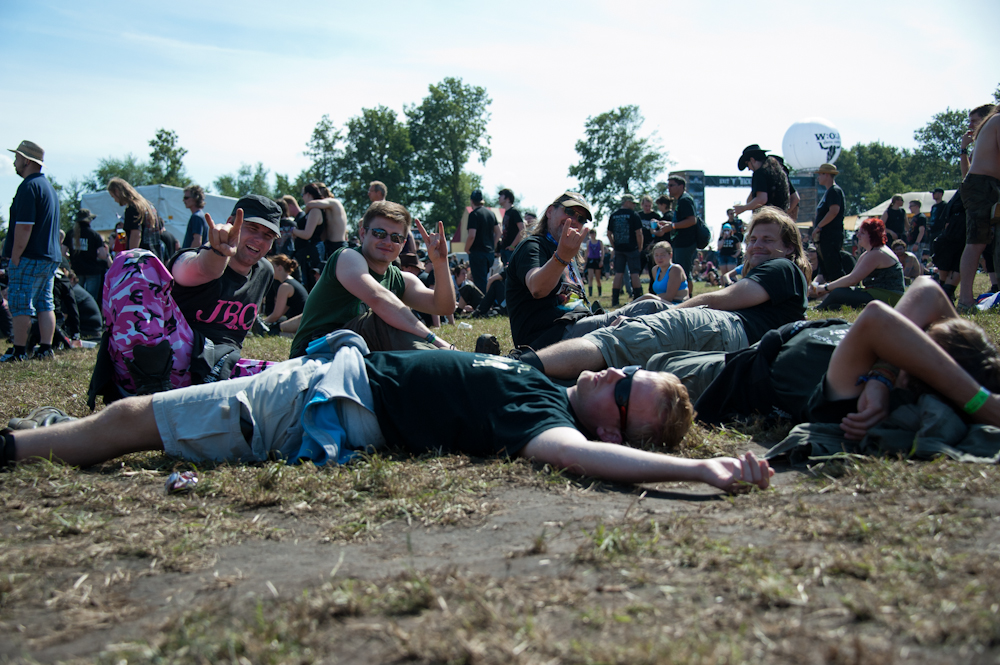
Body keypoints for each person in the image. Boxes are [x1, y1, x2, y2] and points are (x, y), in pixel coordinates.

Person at [1, 331, 773, 495]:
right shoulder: (547, 384)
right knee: (134, 419)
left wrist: (700, 468)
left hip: (318, 401)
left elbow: (586, 460)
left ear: (609, 423)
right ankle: (27, 444)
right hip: (322, 376)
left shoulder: (549, 425)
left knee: (135, 419)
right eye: (630, 370)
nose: (613, 371)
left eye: (623, 387)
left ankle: (13, 450)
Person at [652, 277, 1000, 440]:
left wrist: (981, 404)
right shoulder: (883, 372)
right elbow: (926, 288)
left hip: (725, 376)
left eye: (916, 347)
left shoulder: (861, 400)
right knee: (648, 314)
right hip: (754, 346)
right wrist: (886, 370)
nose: (907, 338)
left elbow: (878, 316)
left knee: (637, 362)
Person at [518, 207, 810, 380]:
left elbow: (721, 300)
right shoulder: (780, 275)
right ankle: (536, 375)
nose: (757, 245)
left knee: (616, 341)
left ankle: (515, 368)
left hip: (725, 329)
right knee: (634, 366)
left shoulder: (782, 267)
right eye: (754, 239)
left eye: (768, 239)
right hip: (732, 347)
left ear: (790, 248)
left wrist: (667, 313)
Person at [87, 195, 281, 407]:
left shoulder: (265, 272)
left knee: (296, 377)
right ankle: (153, 399)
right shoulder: (199, 256)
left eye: (268, 235)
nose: (259, 239)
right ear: (230, 223)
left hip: (216, 375)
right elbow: (202, 268)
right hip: (161, 365)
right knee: (134, 260)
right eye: (252, 228)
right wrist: (217, 252)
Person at [289, 201, 456, 358]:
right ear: (363, 233)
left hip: (356, 354)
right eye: (379, 233)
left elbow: (443, 307)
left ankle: (446, 363)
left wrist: (440, 263)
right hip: (312, 353)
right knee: (382, 317)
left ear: (403, 243)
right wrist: (435, 340)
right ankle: (445, 361)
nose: (387, 241)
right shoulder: (347, 257)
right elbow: (379, 299)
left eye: (396, 238)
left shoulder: (400, 279)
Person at [2, 140, 62, 363]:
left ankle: (19, 351)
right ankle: (45, 348)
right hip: (49, 256)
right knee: (45, 303)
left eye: (17, 158)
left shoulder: (28, 187)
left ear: (26, 160)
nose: (15, 163)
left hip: (29, 255)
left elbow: (25, 226)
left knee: (20, 302)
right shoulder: (48, 188)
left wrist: (15, 255)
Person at [958, 105, 1000, 312]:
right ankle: (965, 300)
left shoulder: (991, 124)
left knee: (979, 242)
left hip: (984, 185)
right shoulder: (999, 120)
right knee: (976, 242)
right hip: (983, 186)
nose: (970, 125)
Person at [816, 218, 904, 310]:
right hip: (877, 294)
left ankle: (818, 309)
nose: (858, 236)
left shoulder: (877, 253)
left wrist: (825, 288)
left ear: (873, 235)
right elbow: (852, 277)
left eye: (862, 233)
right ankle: (823, 307)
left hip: (890, 297)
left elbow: (852, 280)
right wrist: (829, 288)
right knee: (837, 299)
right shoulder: (869, 253)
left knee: (838, 293)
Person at [63, 208, 110, 306]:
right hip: (92, 271)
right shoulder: (94, 235)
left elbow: (62, 252)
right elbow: (102, 255)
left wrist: (70, 256)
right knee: (91, 299)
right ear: (89, 220)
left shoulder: (70, 233)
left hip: (76, 270)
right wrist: (92, 253)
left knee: (76, 298)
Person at [810, 163, 846, 282]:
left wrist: (819, 227)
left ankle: (840, 294)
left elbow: (834, 211)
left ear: (826, 175)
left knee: (834, 268)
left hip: (831, 236)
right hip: (826, 237)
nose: (818, 177)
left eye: (820, 174)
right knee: (826, 269)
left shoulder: (834, 191)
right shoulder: (829, 192)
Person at [606, 194, 644, 306]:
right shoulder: (634, 215)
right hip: (632, 248)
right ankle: (638, 298)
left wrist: (614, 245)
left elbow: (609, 234)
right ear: (626, 202)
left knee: (618, 274)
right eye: (632, 203)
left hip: (619, 249)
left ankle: (615, 300)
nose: (634, 205)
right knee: (634, 274)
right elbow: (639, 233)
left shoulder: (613, 215)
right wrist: (640, 247)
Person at [660, 177, 699, 285]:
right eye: (668, 185)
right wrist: (668, 224)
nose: (669, 188)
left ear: (681, 186)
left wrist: (672, 226)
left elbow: (692, 220)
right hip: (681, 242)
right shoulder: (681, 200)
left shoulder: (685, 200)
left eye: (671, 185)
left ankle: (687, 298)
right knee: (681, 272)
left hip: (686, 243)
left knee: (683, 273)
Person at [291, 182, 330, 291]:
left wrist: (293, 230)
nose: (302, 198)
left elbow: (307, 234)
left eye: (303, 194)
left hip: (311, 252)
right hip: (306, 252)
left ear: (308, 194)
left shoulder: (315, 211)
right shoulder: (311, 210)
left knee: (310, 284)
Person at [108, 178, 160, 257]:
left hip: (141, 260)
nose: (115, 200)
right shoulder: (148, 206)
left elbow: (136, 235)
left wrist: (131, 258)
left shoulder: (132, 207)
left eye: (113, 196)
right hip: (153, 256)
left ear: (117, 191)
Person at [733, 145, 791, 214]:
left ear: (752, 160)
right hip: (780, 216)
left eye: (747, 164)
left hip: (767, 217)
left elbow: (761, 199)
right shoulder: (777, 171)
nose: (748, 169)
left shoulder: (759, 173)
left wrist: (743, 208)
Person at [465, 189, 500, 293]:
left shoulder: (473, 214)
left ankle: (482, 307)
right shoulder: (491, 214)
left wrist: (466, 248)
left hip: (478, 253)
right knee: (485, 280)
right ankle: (487, 304)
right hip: (489, 253)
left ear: (472, 201)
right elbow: (499, 232)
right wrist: (492, 246)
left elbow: (472, 235)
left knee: (480, 284)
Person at [263, 254, 308, 326]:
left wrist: (262, 323)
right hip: (300, 321)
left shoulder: (285, 286)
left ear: (280, 268)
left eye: (272, 266)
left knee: (272, 329)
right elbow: (282, 312)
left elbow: (276, 315)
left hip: (297, 323)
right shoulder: (291, 282)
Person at [302, 192, 348, 259]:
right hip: (329, 244)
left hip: (338, 245)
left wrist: (304, 215)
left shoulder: (333, 202)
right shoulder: (326, 209)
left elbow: (309, 204)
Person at [637, 195, 663, 291]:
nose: (647, 208)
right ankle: (637, 291)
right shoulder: (638, 216)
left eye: (649, 206)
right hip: (640, 247)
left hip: (652, 247)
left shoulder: (656, 216)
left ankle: (652, 291)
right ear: (642, 205)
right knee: (637, 271)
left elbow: (660, 232)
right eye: (646, 206)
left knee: (653, 270)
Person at [497, 188, 524, 266]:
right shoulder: (505, 212)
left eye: (501, 195)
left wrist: (512, 245)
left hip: (511, 250)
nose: (499, 198)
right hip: (504, 249)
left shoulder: (514, 211)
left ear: (507, 198)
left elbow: (522, 229)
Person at [584, 229, 604, 298]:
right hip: (590, 260)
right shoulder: (588, 242)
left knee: (597, 278)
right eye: (591, 234)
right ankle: (590, 294)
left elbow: (603, 252)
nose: (592, 235)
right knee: (590, 277)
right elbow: (587, 252)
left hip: (597, 260)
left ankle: (600, 292)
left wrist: (602, 260)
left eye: (593, 233)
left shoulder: (599, 242)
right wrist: (585, 262)